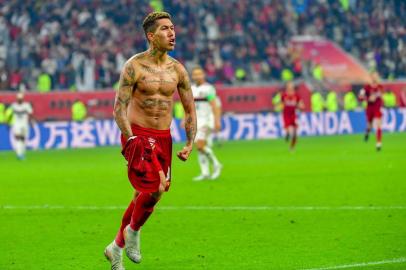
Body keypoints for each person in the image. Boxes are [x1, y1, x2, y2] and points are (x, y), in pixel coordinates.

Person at [104, 12, 197, 270]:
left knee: (145, 195)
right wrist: (130, 136)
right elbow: (119, 107)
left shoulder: (178, 69)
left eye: (173, 28)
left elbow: (190, 110)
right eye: (165, 29)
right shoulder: (134, 66)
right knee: (155, 187)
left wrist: (190, 142)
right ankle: (133, 232)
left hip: (163, 137)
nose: (172, 33)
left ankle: (115, 248)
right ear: (151, 36)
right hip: (138, 134)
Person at [190, 66, 222, 181]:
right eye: (195, 74)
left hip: (207, 120)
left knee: (200, 145)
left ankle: (217, 165)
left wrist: (217, 120)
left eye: (199, 74)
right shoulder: (191, 88)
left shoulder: (209, 88)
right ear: (192, 76)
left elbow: (214, 105)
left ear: (203, 75)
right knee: (199, 147)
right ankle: (205, 173)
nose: (197, 76)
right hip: (196, 121)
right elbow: (190, 106)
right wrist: (186, 119)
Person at [358, 71, 384, 151]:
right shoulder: (366, 87)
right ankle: (367, 133)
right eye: (373, 76)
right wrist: (367, 99)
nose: (375, 78)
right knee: (369, 126)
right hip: (369, 108)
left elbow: (381, 95)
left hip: (377, 108)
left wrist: (380, 99)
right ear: (371, 77)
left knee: (379, 125)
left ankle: (378, 144)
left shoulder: (380, 87)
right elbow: (360, 97)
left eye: (376, 76)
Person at [8, 92, 33, 160]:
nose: (19, 100)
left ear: (22, 99)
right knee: (18, 138)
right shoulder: (13, 106)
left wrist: (31, 122)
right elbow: (9, 114)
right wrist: (8, 122)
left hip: (24, 124)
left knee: (23, 139)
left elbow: (30, 114)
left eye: (20, 99)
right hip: (17, 124)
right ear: (17, 99)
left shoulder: (26, 105)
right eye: (18, 99)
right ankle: (19, 154)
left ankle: (21, 153)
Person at [280, 81, 304, 151]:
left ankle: (292, 147)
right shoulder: (284, 95)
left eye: (292, 85)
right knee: (290, 130)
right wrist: (280, 107)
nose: (291, 86)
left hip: (293, 115)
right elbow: (281, 104)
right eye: (289, 85)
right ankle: (287, 133)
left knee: (295, 133)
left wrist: (301, 106)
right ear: (287, 87)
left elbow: (301, 104)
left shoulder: (296, 96)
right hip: (286, 115)